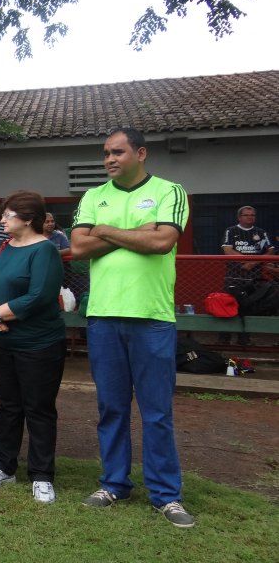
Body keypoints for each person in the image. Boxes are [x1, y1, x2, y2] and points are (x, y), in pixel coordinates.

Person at [71, 127, 194, 528]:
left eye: (118, 152)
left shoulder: (169, 191)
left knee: (157, 411)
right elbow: (78, 247)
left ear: (140, 154)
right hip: (104, 316)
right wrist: (139, 232)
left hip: (152, 318)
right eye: (106, 153)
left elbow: (162, 243)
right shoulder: (93, 196)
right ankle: (114, 484)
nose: (109, 159)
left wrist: (104, 229)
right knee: (112, 408)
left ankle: (166, 495)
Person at [0, 191, 66, 504]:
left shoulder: (45, 250)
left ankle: (41, 475)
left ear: (28, 219)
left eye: (8, 214)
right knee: (9, 405)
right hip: (3, 342)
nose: (2, 220)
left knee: (39, 409)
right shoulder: (2, 247)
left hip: (39, 344)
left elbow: (40, 295)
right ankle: (4, 465)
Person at [220, 206, 275, 346]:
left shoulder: (261, 232)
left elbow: (271, 251)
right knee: (228, 306)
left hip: (253, 278)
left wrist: (253, 262)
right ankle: (224, 339)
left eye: (253, 215)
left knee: (248, 309)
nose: (250, 217)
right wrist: (246, 261)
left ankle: (244, 339)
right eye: (246, 215)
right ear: (239, 217)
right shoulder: (231, 231)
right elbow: (227, 250)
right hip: (234, 277)